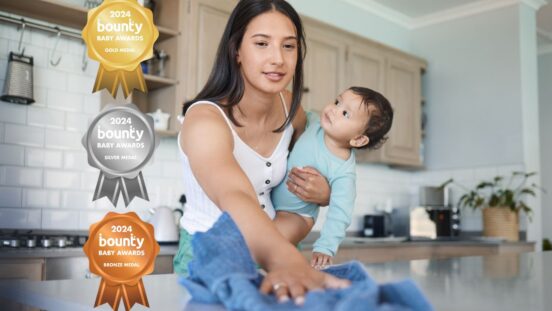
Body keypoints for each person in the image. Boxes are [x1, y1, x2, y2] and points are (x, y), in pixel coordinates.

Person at [173, 0, 350, 305]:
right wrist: (284, 260)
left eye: (289, 46)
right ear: (236, 51)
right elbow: (235, 195)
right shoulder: (205, 120)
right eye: (261, 43)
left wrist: (326, 192)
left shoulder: (291, 111)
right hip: (213, 255)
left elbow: (320, 165)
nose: (278, 59)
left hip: (278, 249)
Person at [272, 86, 394, 269]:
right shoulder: (314, 123)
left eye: (345, 113)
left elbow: (340, 212)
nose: (334, 110)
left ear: (358, 139)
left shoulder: (343, 171)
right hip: (269, 201)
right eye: (337, 102)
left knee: (266, 241)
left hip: (296, 215)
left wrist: (326, 247)